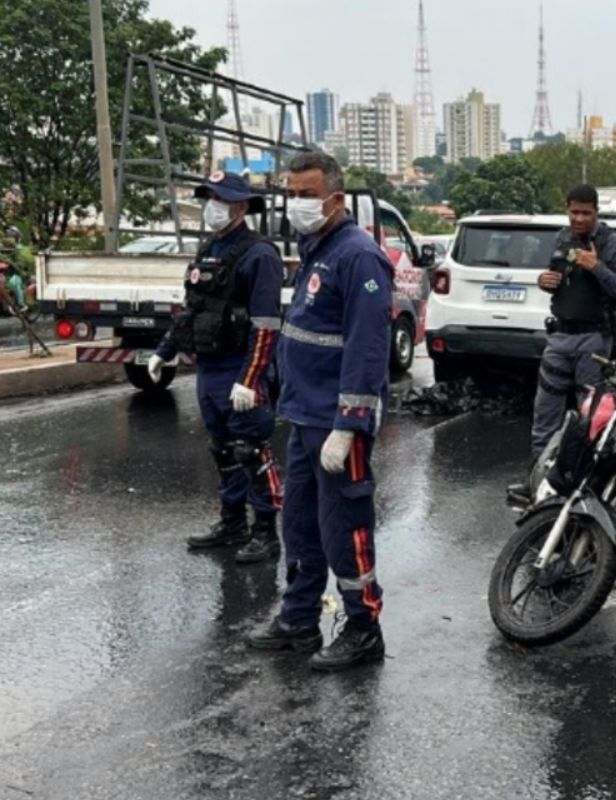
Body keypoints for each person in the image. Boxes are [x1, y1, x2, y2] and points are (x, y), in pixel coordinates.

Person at [248, 151, 392, 672]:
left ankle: (363, 627)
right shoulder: (318, 249)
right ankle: (299, 617)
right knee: (301, 523)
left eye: (306, 195)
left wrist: (349, 427)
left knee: (345, 526)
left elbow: (368, 349)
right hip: (304, 413)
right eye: (292, 193)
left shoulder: (358, 257)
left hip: (335, 424)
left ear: (335, 198)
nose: (296, 204)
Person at [149, 172, 284, 562]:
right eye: (209, 198)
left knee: (251, 451)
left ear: (241, 207)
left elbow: (266, 325)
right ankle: (231, 523)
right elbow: (193, 309)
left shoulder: (259, 255)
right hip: (209, 367)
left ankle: (265, 532)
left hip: (241, 367)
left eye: (220, 200)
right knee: (222, 450)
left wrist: (251, 378)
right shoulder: (209, 249)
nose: (212, 207)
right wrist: (165, 350)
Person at [507, 184, 616, 503]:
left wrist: (597, 267)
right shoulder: (563, 238)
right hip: (560, 337)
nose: (579, 218)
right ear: (567, 209)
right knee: (545, 414)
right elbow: (559, 280)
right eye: (574, 212)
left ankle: (583, 484)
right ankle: (538, 480)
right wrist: (544, 281)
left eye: (586, 213)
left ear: (596, 212)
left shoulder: (613, 244)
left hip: (594, 340)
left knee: (588, 418)